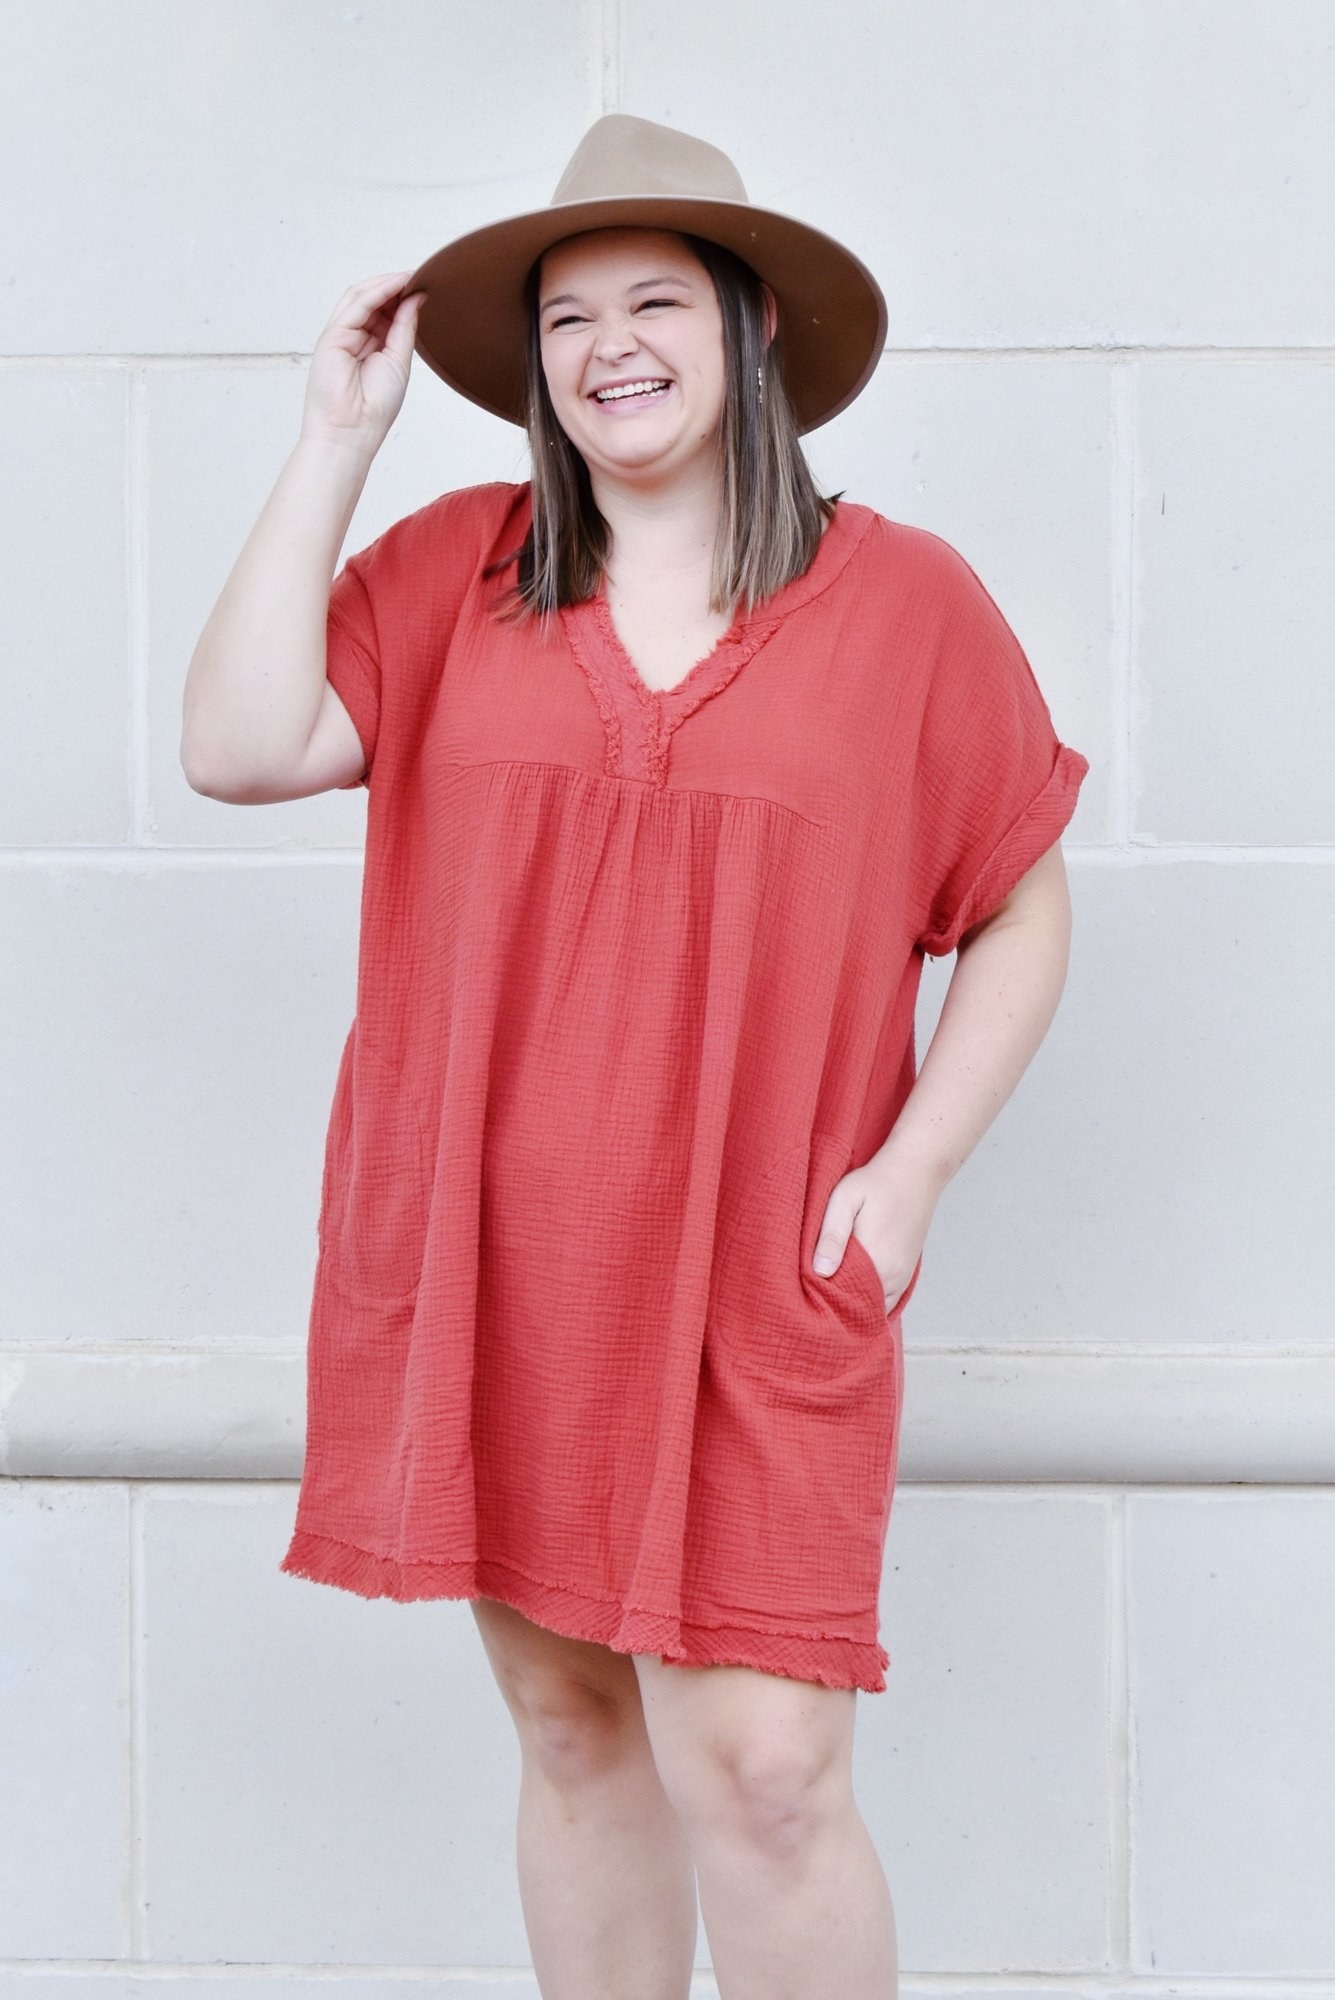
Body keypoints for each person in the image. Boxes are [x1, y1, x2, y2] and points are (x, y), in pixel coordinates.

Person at [181, 113, 1089, 2000]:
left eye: (655, 298)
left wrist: (908, 1176)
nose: (610, 343)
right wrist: (333, 442)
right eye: (568, 313)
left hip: (762, 1269)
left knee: (763, 1772)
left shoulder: (906, 605)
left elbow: (1018, 897)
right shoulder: (455, 570)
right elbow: (240, 743)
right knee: (577, 1728)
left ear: (752, 331)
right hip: (496, 1266)